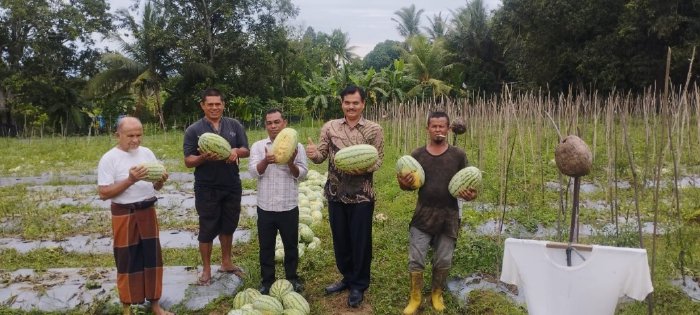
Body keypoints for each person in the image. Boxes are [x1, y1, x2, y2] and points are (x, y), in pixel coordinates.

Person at [306, 85, 384, 308]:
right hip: (335, 193)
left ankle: (359, 284)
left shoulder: (373, 129)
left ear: (363, 104)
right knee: (340, 240)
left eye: (355, 103)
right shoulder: (330, 127)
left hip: (362, 195)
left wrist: (363, 167)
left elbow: (378, 159)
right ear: (342, 103)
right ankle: (347, 278)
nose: (351, 106)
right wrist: (313, 154)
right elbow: (321, 156)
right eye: (347, 102)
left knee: (360, 241)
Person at [396, 111, 477, 314]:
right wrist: (402, 183)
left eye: (442, 126)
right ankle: (415, 297)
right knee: (416, 258)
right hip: (423, 214)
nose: (438, 130)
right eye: (434, 126)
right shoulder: (417, 155)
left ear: (448, 129)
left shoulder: (458, 155)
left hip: (449, 215)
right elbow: (408, 186)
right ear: (428, 129)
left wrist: (470, 194)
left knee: (443, 259)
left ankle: (436, 293)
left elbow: (469, 184)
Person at [97, 117, 173, 315]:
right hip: (124, 213)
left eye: (139, 135)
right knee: (127, 259)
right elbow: (104, 193)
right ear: (118, 135)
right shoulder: (109, 158)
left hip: (147, 209)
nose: (136, 140)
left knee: (153, 259)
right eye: (130, 135)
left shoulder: (147, 153)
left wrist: (161, 182)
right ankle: (127, 308)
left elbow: (154, 185)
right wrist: (130, 180)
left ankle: (155, 306)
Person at [184, 88, 250, 285]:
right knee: (207, 227)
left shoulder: (234, 125)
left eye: (218, 104)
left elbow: (246, 150)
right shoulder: (194, 130)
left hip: (231, 184)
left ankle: (226, 262)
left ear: (223, 105)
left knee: (229, 224)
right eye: (210, 104)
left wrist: (235, 151)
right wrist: (203, 157)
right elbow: (188, 161)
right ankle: (206, 270)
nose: (214, 107)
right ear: (203, 105)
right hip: (207, 187)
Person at [249, 109, 308, 294]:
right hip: (265, 206)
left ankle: (292, 278)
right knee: (266, 247)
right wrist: (266, 161)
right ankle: (267, 281)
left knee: (290, 246)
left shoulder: (297, 147)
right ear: (265, 125)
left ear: (284, 123)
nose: (273, 126)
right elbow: (252, 172)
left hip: (288, 205)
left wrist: (290, 163)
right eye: (269, 123)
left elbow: (303, 174)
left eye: (276, 122)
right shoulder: (258, 147)